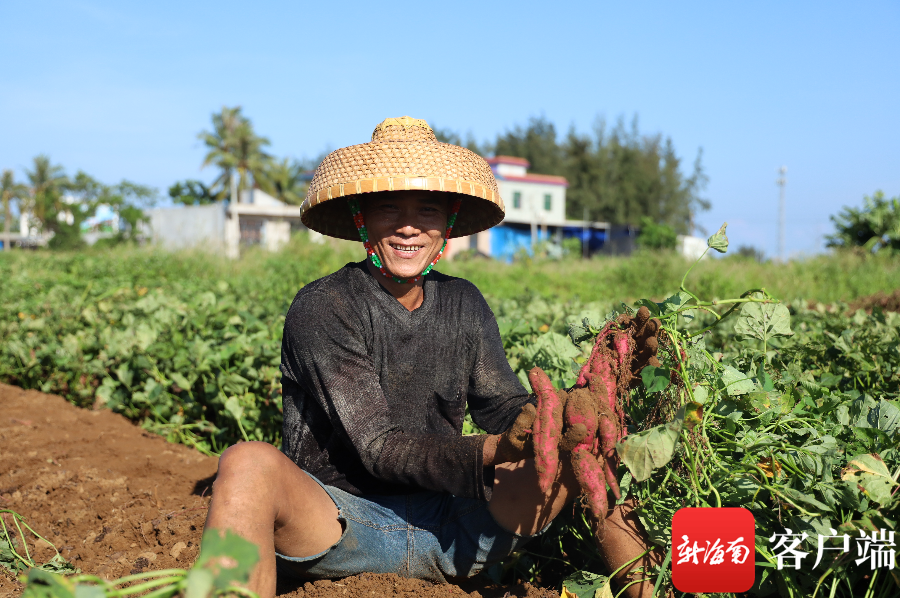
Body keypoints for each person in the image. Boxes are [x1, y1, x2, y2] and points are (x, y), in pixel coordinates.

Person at [204, 117, 659, 597]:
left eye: (427, 210)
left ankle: (648, 593)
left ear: (448, 225)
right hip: (340, 527)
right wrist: (495, 450)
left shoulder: (463, 303)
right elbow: (379, 447)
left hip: (453, 526)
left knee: (582, 442)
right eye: (387, 209)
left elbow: (502, 407)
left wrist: (568, 406)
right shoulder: (325, 306)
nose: (408, 227)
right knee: (247, 463)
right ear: (360, 218)